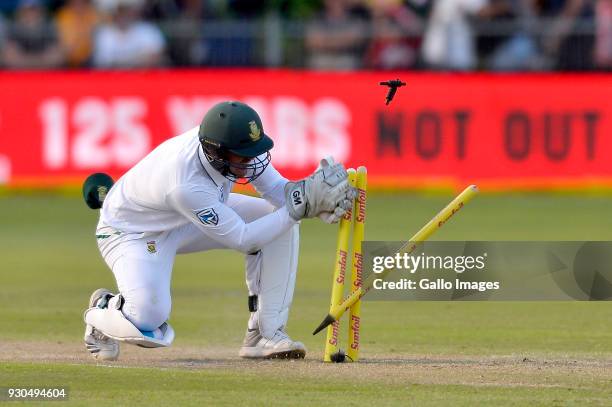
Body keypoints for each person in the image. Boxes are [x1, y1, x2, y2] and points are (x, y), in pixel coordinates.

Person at [82, 101, 355, 361]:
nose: (252, 161)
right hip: (131, 233)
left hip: (179, 214)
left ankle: (264, 334)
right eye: (243, 156)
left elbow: (277, 192)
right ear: (216, 152)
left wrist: (310, 198)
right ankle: (105, 307)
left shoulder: (235, 145)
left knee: (277, 221)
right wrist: (299, 206)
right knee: (148, 320)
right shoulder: (185, 182)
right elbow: (242, 238)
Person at [92, 0, 165, 68]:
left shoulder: (148, 30)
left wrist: (121, 62)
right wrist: (137, 60)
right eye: (121, 11)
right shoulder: (104, 33)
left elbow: (154, 58)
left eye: (127, 10)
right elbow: (103, 63)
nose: (124, 15)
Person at [2, 0, 64, 69]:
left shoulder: (50, 28)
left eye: (35, 10)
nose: (31, 15)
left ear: (42, 12)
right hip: (18, 77)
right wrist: (41, 61)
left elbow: (57, 58)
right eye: (27, 11)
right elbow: (9, 59)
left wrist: (23, 61)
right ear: (19, 12)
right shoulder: (13, 29)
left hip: (46, 77)